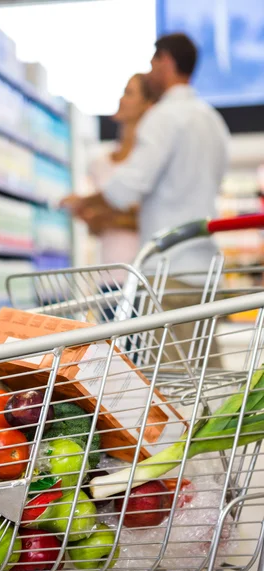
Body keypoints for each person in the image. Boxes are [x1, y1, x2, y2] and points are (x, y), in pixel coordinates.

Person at [62, 33, 230, 366]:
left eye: (153, 62)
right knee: (204, 375)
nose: (150, 70)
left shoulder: (164, 117)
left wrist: (86, 200)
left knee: (169, 382)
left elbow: (127, 188)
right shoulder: (212, 120)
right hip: (204, 268)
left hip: (168, 270)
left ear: (166, 62)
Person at [87, 73, 157, 269]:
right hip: (107, 272)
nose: (121, 99)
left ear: (147, 104)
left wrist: (104, 214)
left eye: (129, 93)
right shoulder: (99, 163)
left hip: (142, 273)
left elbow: (151, 217)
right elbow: (93, 225)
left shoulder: (149, 159)